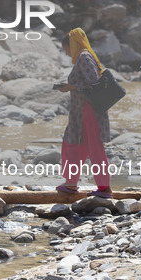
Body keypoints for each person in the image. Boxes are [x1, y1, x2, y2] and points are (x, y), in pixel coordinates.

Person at [56, 28, 112, 198]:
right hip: (80, 111)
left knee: (94, 147)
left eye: (66, 48)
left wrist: (71, 87)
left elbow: (93, 82)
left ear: (73, 45)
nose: (66, 53)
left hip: (89, 109)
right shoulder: (84, 57)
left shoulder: (84, 57)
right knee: (73, 144)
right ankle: (71, 183)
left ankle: (105, 189)